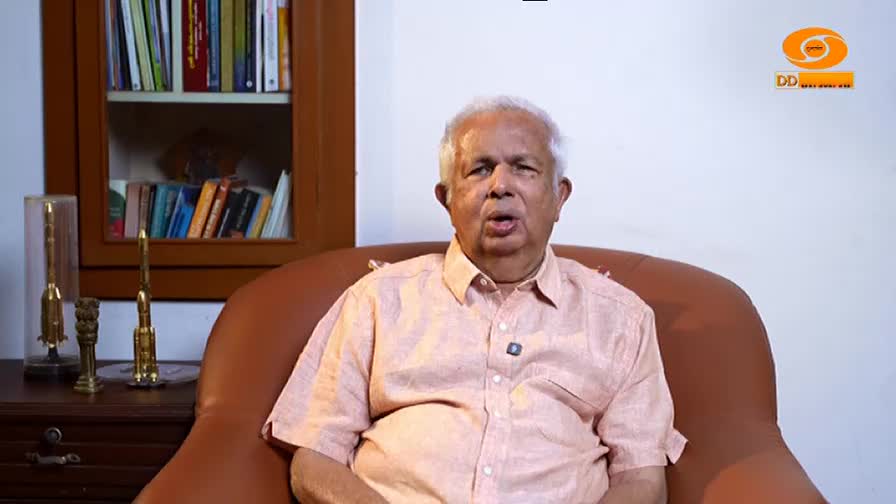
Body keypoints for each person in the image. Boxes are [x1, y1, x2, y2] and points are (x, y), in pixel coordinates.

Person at [262, 96, 686, 503]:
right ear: (446, 199)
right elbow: (314, 459)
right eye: (480, 170)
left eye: (523, 168)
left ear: (560, 197)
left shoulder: (621, 319)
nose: (500, 186)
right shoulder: (376, 301)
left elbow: (641, 477)